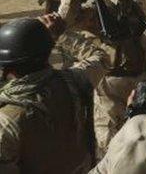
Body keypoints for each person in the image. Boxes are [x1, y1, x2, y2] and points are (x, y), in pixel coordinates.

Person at [59, 0, 146, 154]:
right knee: (111, 142)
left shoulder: (133, 6)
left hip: (140, 79)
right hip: (110, 85)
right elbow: (65, 19)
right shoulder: (93, 9)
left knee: (142, 138)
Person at [0, 14, 110, 172]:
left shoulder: (7, 119)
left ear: (6, 69)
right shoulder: (74, 80)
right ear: (48, 52)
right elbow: (102, 58)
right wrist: (61, 35)